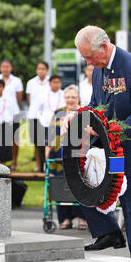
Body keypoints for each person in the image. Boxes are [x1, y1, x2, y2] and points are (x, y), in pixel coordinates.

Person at [66, 25, 131, 262]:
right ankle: (108, 232)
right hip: (111, 152)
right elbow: (95, 104)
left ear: (104, 47)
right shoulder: (100, 68)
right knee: (83, 185)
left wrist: (109, 131)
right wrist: (79, 117)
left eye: (89, 56)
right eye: (84, 58)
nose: (88, 62)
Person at [46, 85, 87, 230]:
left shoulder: (83, 112)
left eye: (73, 97)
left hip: (78, 156)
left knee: (80, 185)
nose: (70, 100)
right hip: (58, 156)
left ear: (78, 98)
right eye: (68, 97)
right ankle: (65, 219)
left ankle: (82, 217)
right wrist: (47, 155)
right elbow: (50, 135)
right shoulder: (58, 113)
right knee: (60, 185)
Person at [0, 59, 23, 171]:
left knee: (14, 139)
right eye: (3, 66)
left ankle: (14, 162)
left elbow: (18, 98)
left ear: (11, 68)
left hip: (13, 113)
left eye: (7, 66)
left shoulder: (17, 81)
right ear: (0, 68)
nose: (5, 68)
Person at [26, 62, 51, 172]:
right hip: (34, 116)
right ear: (36, 70)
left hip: (47, 117)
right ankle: (38, 165)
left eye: (43, 69)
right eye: (39, 68)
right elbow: (28, 99)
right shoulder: (31, 83)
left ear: (47, 70)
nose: (41, 71)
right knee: (36, 142)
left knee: (46, 142)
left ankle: (47, 165)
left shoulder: (50, 82)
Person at [0, 79, 14, 163]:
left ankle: (3, 164)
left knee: (4, 147)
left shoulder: (8, 100)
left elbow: (10, 113)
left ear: (3, 88)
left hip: (5, 125)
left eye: (0, 86)